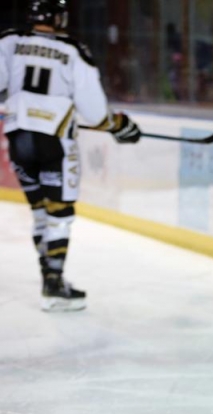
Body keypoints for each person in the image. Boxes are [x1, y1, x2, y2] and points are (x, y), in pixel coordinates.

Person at [0, 0, 141, 312]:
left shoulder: (9, 41)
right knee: (60, 213)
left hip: (18, 139)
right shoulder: (73, 50)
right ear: (58, 18)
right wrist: (119, 125)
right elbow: (94, 111)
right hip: (55, 142)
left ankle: (49, 278)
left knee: (40, 212)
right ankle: (53, 284)